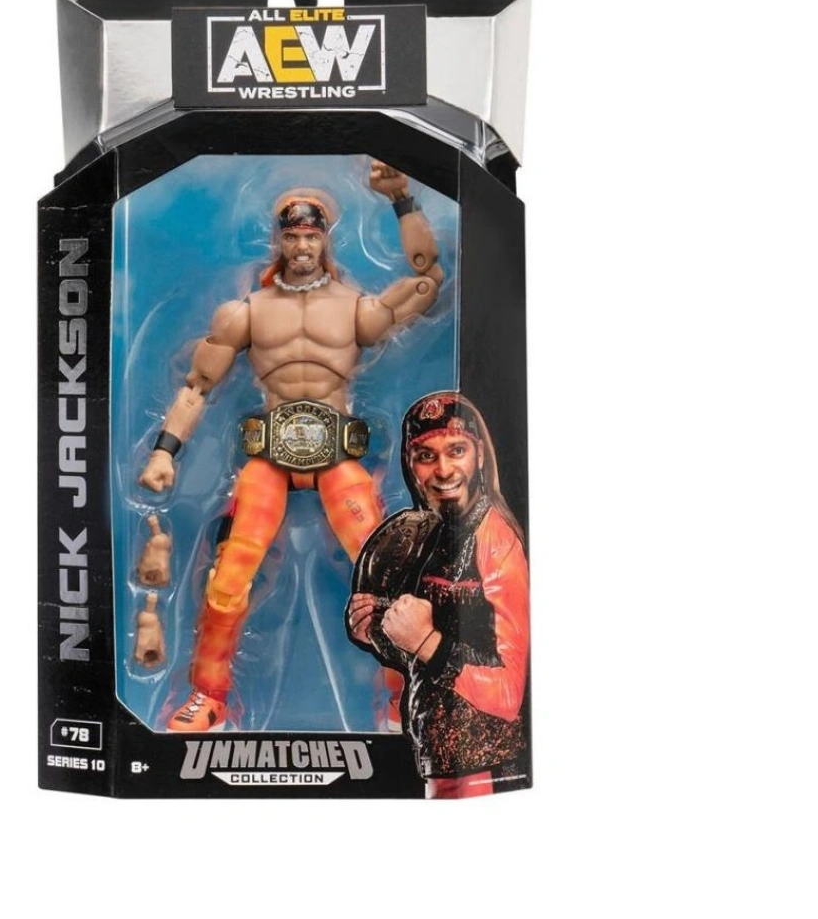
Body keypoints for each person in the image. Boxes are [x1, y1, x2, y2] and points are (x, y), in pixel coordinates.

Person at [139, 163, 445, 731]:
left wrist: (402, 199)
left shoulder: (354, 307)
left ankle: (404, 696)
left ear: (324, 239)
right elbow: (197, 387)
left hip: (338, 458)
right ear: (278, 240)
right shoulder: (247, 313)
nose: (302, 246)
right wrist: (164, 451)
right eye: (293, 236)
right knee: (229, 575)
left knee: (385, 574)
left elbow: (428, 279)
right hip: (270, 459)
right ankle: (208, 696)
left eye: (311, 236)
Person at [347, 391, 529, 797]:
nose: (443, 470)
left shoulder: (495, 540)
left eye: (457, 451)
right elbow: (437, 660)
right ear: (410, 464)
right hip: (439, 757)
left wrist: (425, 641)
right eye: (426, 456)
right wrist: (378, 632)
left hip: (485, 767)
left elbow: (507, 693)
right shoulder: (435, 534)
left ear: (479, 457)